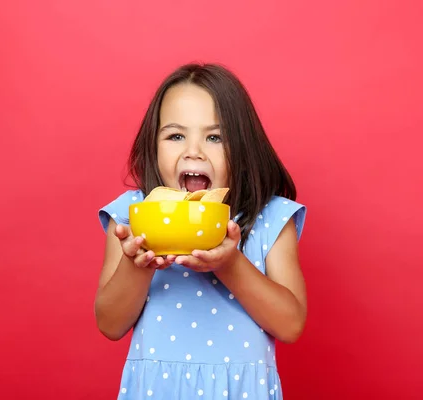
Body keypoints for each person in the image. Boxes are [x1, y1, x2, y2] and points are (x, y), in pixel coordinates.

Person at [95, 63, 307, 399]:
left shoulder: (270, 217)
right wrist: (137, 266)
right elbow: (109, 324)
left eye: (215, 137)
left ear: (243, 147)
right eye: (176, 135)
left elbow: (290, 325)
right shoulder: (133, 217)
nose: (193, 151)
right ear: (153, 145)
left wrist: (230, 264)